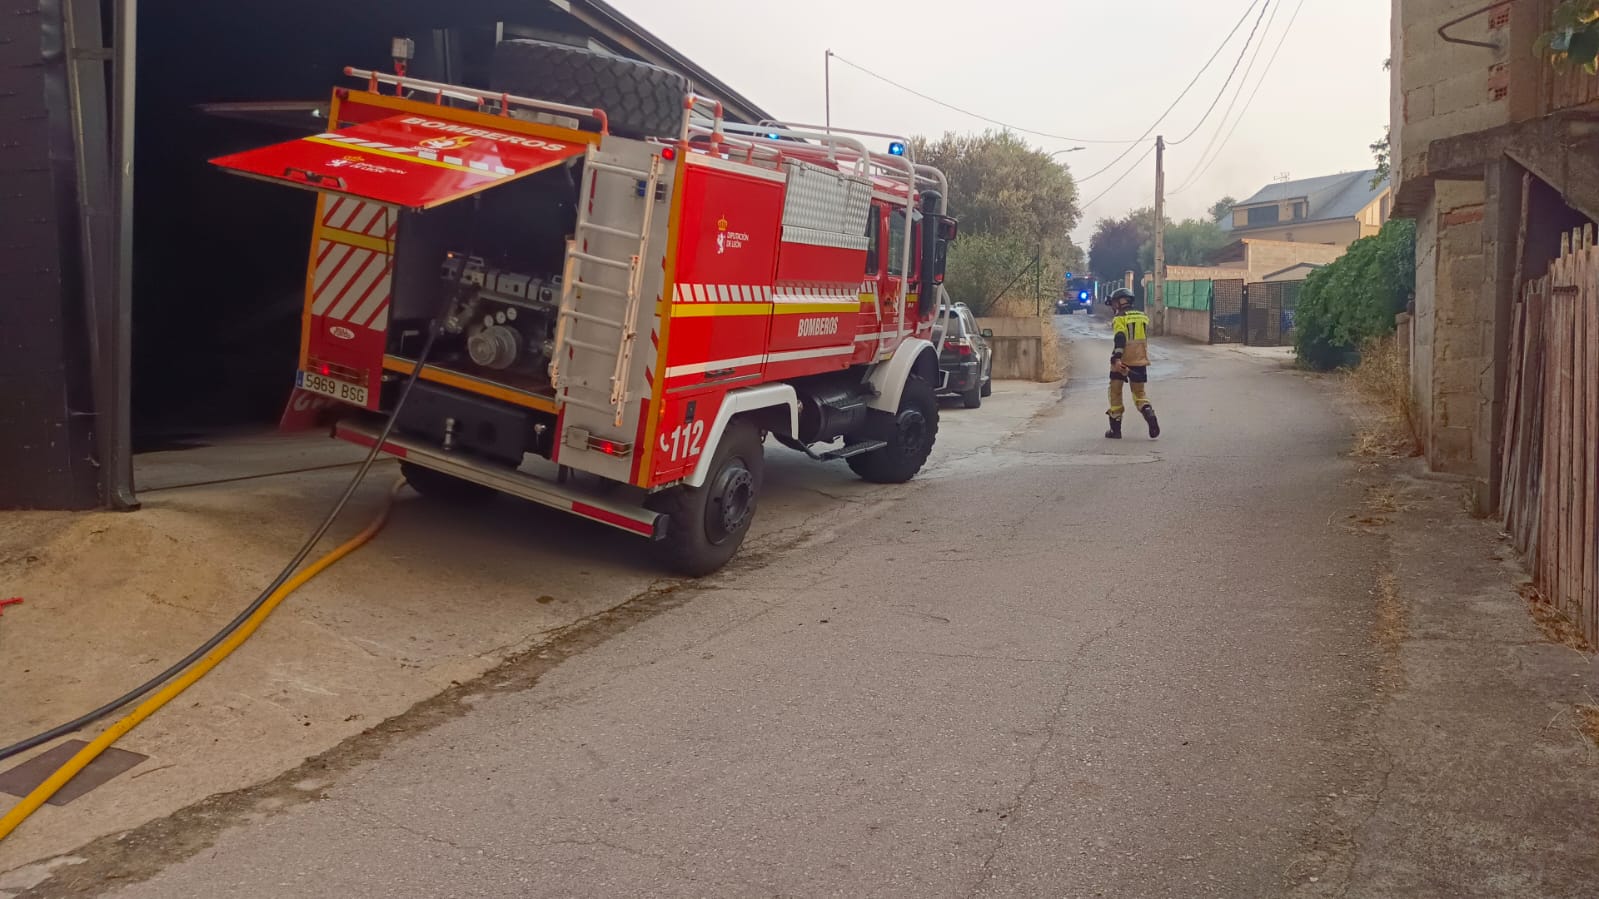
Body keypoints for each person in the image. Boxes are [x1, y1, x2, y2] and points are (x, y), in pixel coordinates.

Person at [1104, 288, 1160, 440]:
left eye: (1116, 302)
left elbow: (1120, 337)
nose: (1114, 305)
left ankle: (1115, 430)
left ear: (1122, 301)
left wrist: (1116, 357)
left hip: (1121, 360)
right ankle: (1149, 413)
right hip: (1140, 360)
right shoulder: (1142, 316)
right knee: (1139, 394)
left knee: (1115, 392)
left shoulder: (1120, 318)